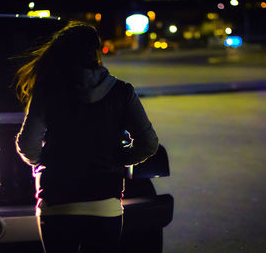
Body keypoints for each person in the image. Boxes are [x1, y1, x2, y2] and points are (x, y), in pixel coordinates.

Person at [14, 20, 159, 253]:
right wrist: (119, 158)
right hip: (105, 204)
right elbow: (149, 144)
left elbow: (28, 145)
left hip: (57, 202)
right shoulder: (122, 92)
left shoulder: (48, 90)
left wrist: (46, 160)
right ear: (95, 52)